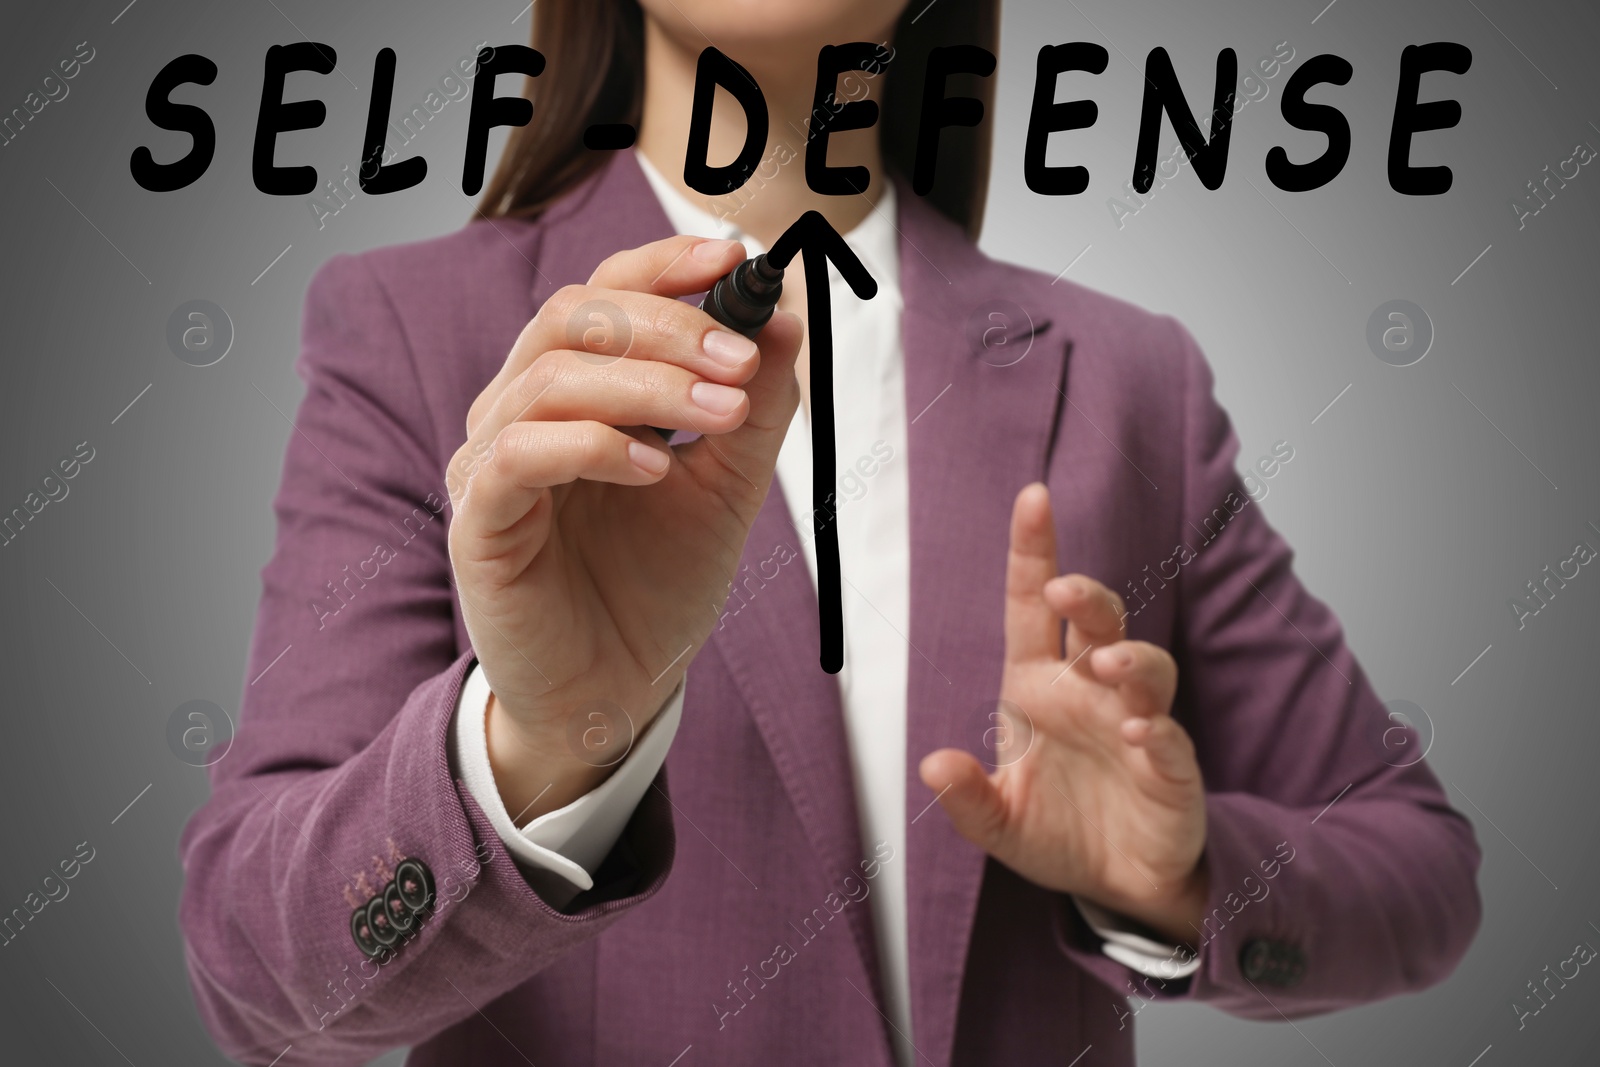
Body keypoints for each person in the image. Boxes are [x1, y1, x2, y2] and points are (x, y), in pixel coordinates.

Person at [177, 0, 1482, 1064]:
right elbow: (256, 979)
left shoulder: (1130, 378)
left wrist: (1181, 883)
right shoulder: (412, 332)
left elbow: (1419, 870)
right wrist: (537, 747)